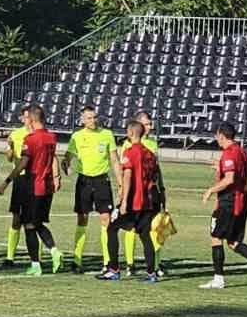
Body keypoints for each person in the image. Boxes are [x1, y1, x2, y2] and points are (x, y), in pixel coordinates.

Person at [199, 123, 247, 290]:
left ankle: (218, 279)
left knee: (216, 237)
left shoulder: (230, 153)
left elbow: (230, 179)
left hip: (229, 203)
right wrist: (220, 167)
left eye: (217, 135)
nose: (216, 138)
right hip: (242, 201)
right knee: (233, 241)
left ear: (222, 136)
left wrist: (211, 190)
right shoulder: (240, 151)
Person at [0, 103, 63, 276]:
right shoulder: (52, 137)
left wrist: (6, 181)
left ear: (32, 120)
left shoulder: (31, 139)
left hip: (33, 184)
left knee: (29, 225)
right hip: (47, 186)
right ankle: (54, 251)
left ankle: (36, 265)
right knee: (38, 222)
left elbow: (23, 164)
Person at [98, 120, 161, 282]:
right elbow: (155, 177)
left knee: (111, 228)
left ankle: (113, 269)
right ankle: (151, 273)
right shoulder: (150, 154)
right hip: (148, 201)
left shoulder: (130, 152)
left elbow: (128, 176)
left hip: (134, 200)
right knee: (145, 235)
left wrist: (124, 200)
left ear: (131, 133)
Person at [61, 105, 118, 272]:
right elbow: (67, 158)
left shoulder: (107, 135)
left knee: (106, 219)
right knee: (82, 219)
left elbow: (114, 160)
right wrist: (66, 166)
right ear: (82, 120)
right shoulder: (77, 137)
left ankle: (108, 262)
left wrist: (121, 182)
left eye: (94, 117)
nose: (92, 120)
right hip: (84, 182)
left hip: (102, 181)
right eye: (89, 118)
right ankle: (77, 260)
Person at [121, 109, 167, 274]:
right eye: (147, 124)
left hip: (150, 191)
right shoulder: (128, 145)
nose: (150, 126)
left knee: (155, 227)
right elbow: (126, 172)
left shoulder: (152, 144)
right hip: (135, 192)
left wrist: (162, 189)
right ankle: (130, 263)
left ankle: (156, 264)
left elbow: (157, 170)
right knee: (132, 228)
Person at [2, 103, 33, 267]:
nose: (28, 120)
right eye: (25, 117)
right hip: (19, 180)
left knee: (34, 221)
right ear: (21, 118)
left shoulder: (37, 134)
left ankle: (37, 258)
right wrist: (11, 148)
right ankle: (9, 257)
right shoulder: (15, 134)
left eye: (30, 117)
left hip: (34, 180)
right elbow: (8, 157)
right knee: (16, 219)